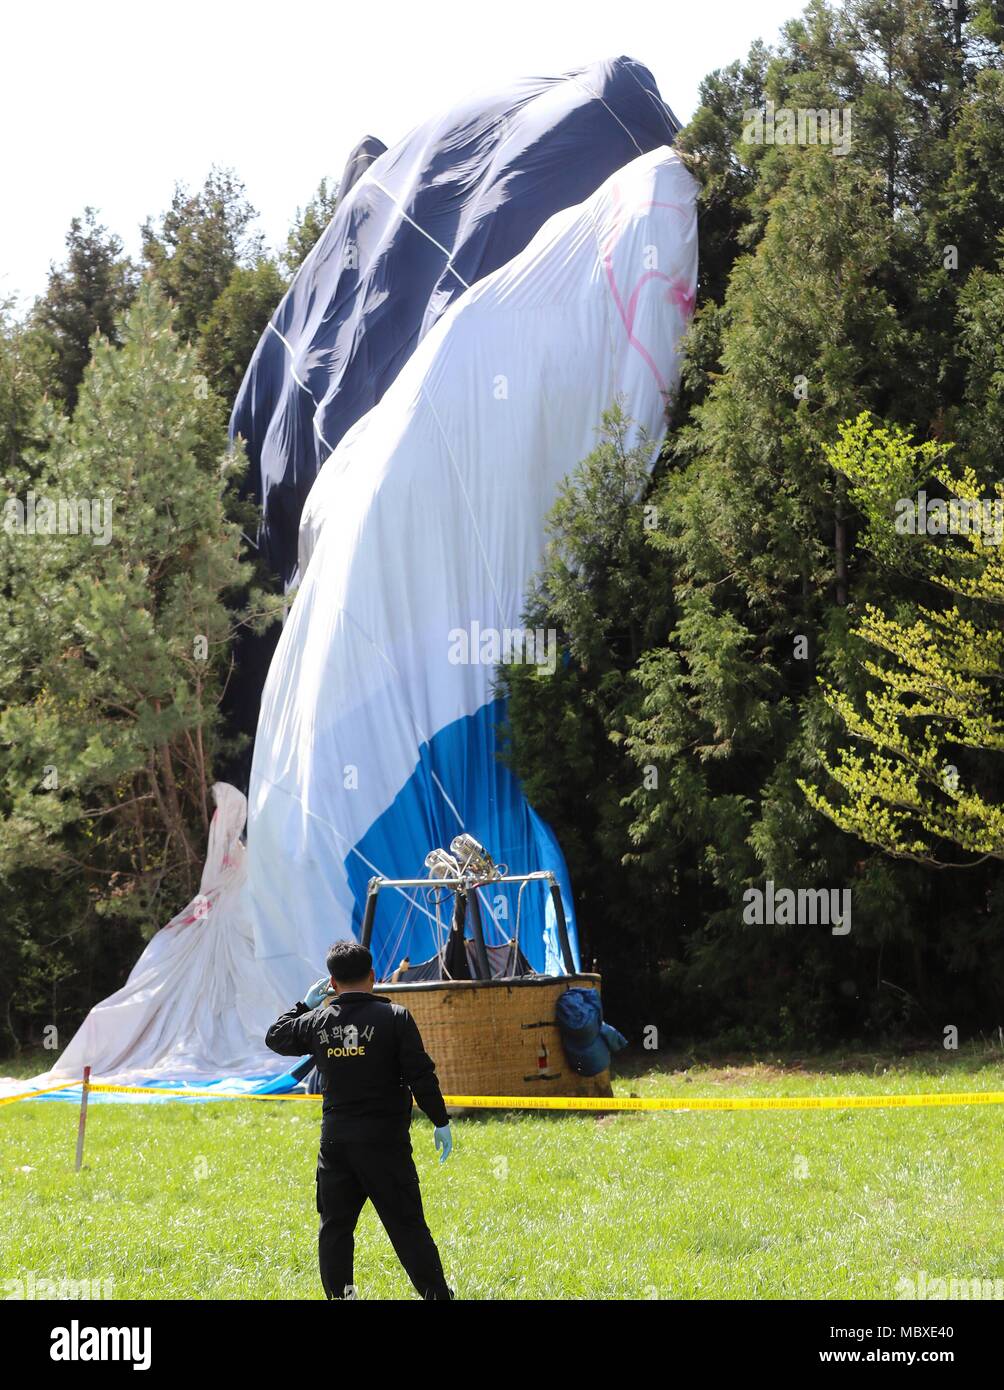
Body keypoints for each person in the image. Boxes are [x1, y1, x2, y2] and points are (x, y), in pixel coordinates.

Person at [265, 939, 454, 1300]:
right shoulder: (395, 1017)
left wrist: (305, 1004)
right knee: (407, 1225)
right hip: (385, 1143)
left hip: (336, 1144)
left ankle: (341, 1296)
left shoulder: (317, 1020)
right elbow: (421, 1075)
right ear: (373, 976)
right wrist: (439, 1120)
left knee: (335, 1228)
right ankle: (435, 1295)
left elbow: (275, 1037)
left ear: (332, 984)